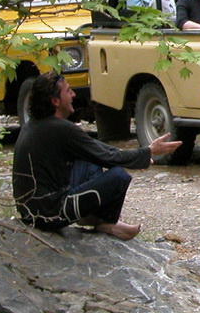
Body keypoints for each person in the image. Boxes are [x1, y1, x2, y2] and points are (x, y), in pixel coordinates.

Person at [12, 72, 180, 239]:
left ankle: (92, 216)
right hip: (49, 215)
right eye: (68, 91)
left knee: (89, 161)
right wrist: (148, 152)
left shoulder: (36, 124)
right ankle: (106, 222)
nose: (73, 95)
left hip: (32, 212)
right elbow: (107, 157)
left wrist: (141, 155)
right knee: (119, 176)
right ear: (55, 101)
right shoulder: (60, 129)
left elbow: (96, 149)